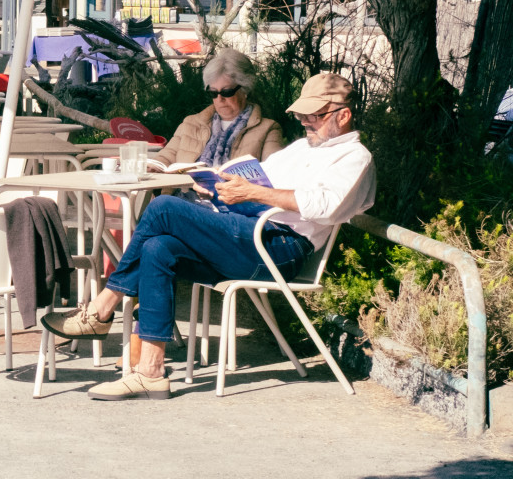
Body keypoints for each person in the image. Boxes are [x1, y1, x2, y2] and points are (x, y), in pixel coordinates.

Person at [44, 72, 375, 400]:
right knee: (159, 248)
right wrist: (220, 187)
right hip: (248, 235)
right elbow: (262, 183)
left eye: (313, 116)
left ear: (342, 115)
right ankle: (150, 372)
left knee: (163, 208)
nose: (304, 122)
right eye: (301, 115)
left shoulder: (355, 158)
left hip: (279, 249)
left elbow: (325, 206)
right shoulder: (302, 148)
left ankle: (101, 310)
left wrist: (252, 194)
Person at [150, 48, 286, 170]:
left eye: (226, 92)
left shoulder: (268, 129)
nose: (219, 99)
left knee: (162, 200)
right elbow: (164, 159)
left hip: (234, 197)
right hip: (186, 193)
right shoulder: (191, 124)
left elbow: (274, 173)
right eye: (213, 93)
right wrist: (152, 167)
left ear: (245, 90)